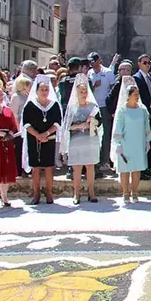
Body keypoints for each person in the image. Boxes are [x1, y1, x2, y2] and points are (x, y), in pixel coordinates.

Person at [59, 75, 103, 204]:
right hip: (76, 140)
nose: (84, 94)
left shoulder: (93, 107)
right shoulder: (72, 107)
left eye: (85, 91)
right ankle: (76, 193)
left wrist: (92, 123)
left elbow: (99, 123)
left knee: (90, 166)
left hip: (90, 139)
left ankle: (91, 192)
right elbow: (67, 126)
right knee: (77, 168)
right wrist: (79, 126)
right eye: (81, 92)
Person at [22, 75, 62, 205]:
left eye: (46, 89)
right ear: (37, 91)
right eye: (42, 89)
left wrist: (46, 133)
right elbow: (26, 123)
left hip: (49, 138)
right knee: (36, 167)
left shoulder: (54, 105)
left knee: (49, 166)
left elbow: (57, 123)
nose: (44, 92)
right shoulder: (30, 105)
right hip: (34, 139)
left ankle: (49, 194)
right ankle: (36, 194)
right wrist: (37, 135)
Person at [111, 80, 151, 203]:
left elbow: (146, 125)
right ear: (128, 95)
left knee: (136, 168)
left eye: (138, 94)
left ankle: (134, 192)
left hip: (138, 142)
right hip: (125, 143)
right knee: (125, 169)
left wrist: (148, 140)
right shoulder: (122, 110)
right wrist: (118, 144)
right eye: (135, 94)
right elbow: (118, 127)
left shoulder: (142, 109)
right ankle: (125, 193)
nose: (137, 96)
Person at [87, 52, 118, 172]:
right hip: (93, 107)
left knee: (106, 133)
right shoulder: (89, 73)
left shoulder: (108, 72)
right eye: (90, 62)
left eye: (93, 61)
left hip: (105, 106)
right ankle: (94, 160)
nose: (92, 64)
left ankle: (105, 160)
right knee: (93, 133)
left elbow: (112, 88)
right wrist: (94, 86)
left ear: (99, 60)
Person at [0, 86, 18, 207]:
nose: (1, 97)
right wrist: (0, 134)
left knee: (6, 169)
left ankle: (4, 196)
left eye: (2, 95)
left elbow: (13, 125)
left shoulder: (7, 110)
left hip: (7, 143)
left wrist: (10, 133)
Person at [9, 75, 31, 176]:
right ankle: (18, 170)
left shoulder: (26, 96)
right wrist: (18, 128)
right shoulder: (16, 97)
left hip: (26, 126)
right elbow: (14, 114)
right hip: (18, 126)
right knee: (18, 149)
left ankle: (26, 169)